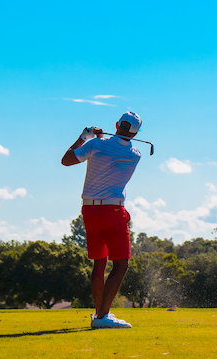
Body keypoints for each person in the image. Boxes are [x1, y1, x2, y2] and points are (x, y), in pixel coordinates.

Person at [61, 111, 143, 329]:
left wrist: (85, 136)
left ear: (116, 124)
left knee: (100, 262)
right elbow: (117, 151)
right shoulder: (135, 154)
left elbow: (66, 160)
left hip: (89, 211)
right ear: (136, 133)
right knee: (121, 264)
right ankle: (102, 316)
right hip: (113, 212)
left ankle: (100, 315)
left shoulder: (96, 145)